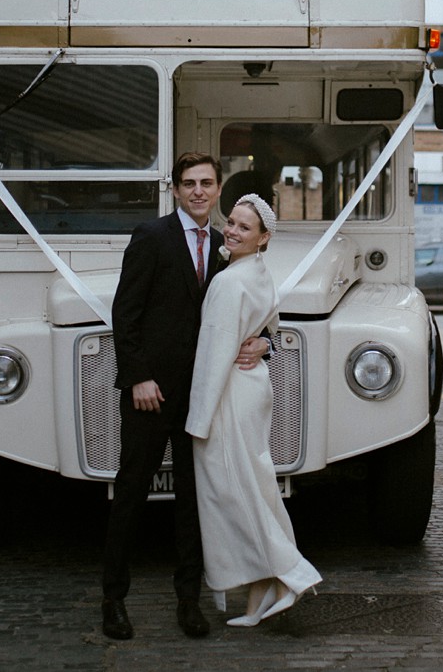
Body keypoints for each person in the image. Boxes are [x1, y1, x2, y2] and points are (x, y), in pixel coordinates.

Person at [101, 153, 270, 641]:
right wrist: (137, 378)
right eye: (189, 183)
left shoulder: (228, 244)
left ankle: (188, 601)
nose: (199, 191)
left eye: (207, 183)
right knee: (130, 494)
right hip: (151, 395)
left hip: (205, 399)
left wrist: (267, 344)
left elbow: (257, 311)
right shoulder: (151, 237)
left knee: (195, 502)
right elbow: (125, 313)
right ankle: (113, 600)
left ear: (218, 191)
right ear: (175, 190)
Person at [187, 193, 321, 626]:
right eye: (232, 222)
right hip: (252, 388)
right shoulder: (257, 271)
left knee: (233, 492)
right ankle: (260, 589)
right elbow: (273, 322)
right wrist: (263, 339)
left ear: (263, 238)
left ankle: (288, 574)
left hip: (228, 393)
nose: (232, 230)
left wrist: (199, 419)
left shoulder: (228, 280)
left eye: (245, 227)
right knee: (252, 486)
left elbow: (215, 352)